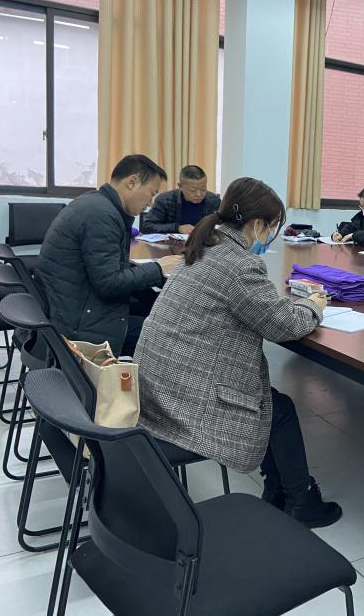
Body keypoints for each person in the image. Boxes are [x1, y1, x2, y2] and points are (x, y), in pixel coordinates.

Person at [135, 177, 341, 528]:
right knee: (280, 410)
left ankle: (278, 489)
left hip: (158, 384)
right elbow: (285, 325)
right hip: (184, 400)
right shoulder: (239, 264)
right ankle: (301, 500)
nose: (270, 236)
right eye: (272, 227)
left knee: (275, 405)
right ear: (257, 224)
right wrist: (314, 305)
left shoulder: (205, 246)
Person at [35, 154, 182, 357]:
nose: (150, 203)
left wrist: (156, 295)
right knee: (171, 336)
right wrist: (158, 269)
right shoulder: (102, 215)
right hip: (78, 326)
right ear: (132, 183)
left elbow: (113, 269)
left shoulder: (97, 204)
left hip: (73, 308)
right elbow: (109, 283)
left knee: (155, 312)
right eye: (151, 193)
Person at [141, 164, 221, 235]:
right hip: (172, 245)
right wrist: (177, 228)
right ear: (180, 186)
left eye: (203, 189)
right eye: (193, 190)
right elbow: (147, 226)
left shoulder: (213, 201)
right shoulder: (165, 200)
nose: (199, 194)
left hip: (204, 244)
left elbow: (222, 225)